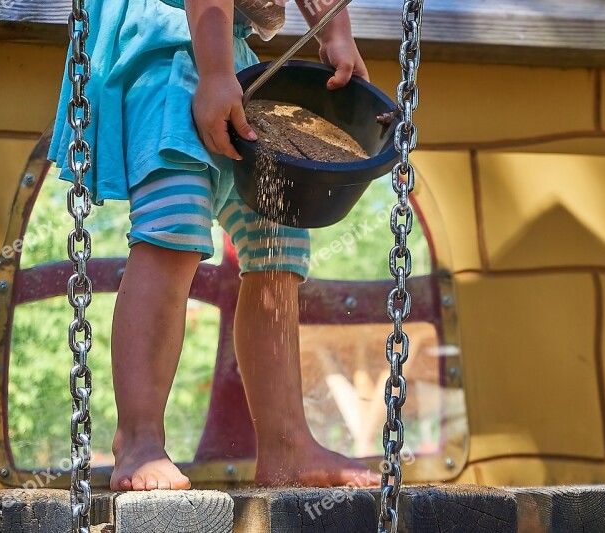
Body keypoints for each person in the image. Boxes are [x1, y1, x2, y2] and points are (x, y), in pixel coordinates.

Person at [48, 0, 372, 490]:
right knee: (171, 233)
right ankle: (139, 439)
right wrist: (215, 73)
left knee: (278, 245)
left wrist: (335, 32)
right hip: (175, 53)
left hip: (230, 60)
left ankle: (287, 445)